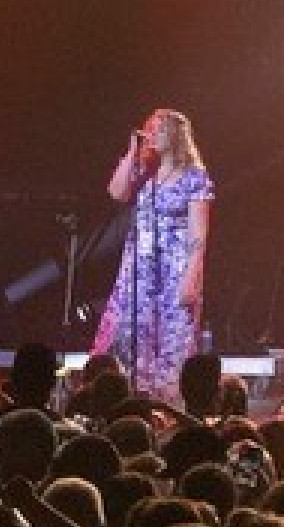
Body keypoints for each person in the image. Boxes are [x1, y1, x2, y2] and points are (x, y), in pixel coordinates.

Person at [97, 108, 213, 400]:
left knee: (172, 343)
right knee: (134, 339)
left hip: (174, 271)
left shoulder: (194, 178)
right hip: (140, 271)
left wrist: (192, 278)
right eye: (149, 128)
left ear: (175, 135)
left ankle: (168, 405)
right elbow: (116, 192)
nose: (151, 134)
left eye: (158, 129)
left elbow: (199, 235)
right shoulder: (144, 174)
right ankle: (134, 402)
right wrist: (131, 153)